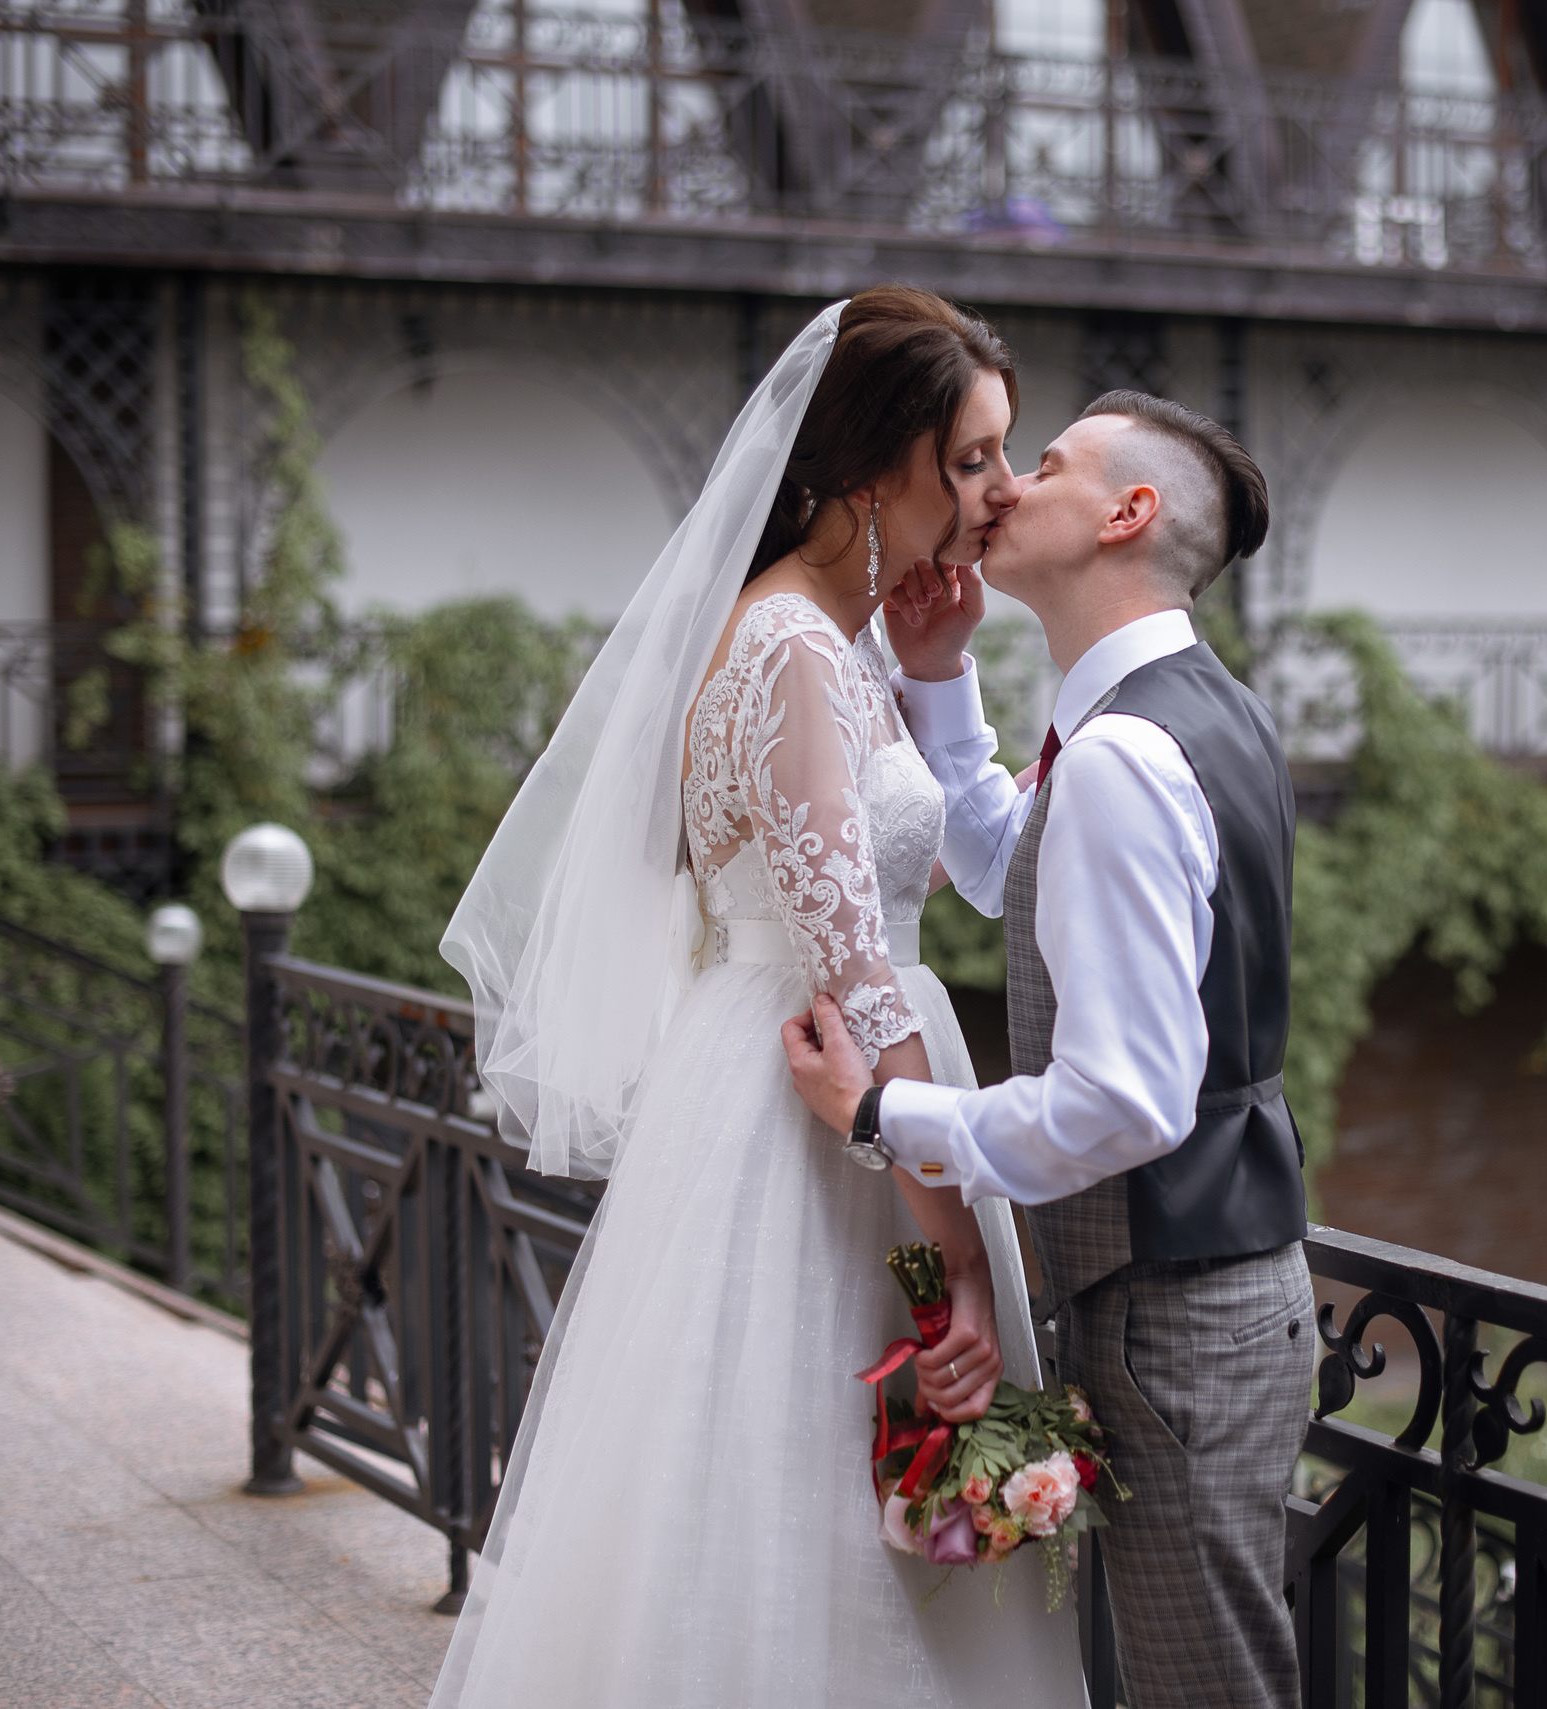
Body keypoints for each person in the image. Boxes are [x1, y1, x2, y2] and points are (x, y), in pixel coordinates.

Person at [429, 288, 1084, 1708]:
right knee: (809, 1494)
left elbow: (894, 876)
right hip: (831, 1109)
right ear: (877, 468)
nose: (1000, 489)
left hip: (795, 1084)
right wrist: (958, 1264)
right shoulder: (791, 649)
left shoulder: (823, 637)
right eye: (971, 458)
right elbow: (855, 982)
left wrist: (933, 673)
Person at [784, 392, 1314, 1708]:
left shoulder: (1126, 753)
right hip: (1208, 1290)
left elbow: (1127, 1100)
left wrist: (888, 1118)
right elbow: (1006, 867)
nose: (1008, 484)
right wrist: (940, 676)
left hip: (1177, 1320)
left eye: (1050, 463)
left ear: (1128, 514)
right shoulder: (1186, 714)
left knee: (1205, 1692)